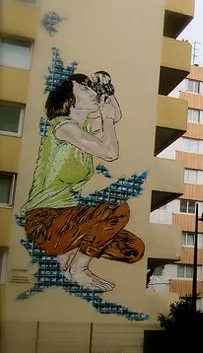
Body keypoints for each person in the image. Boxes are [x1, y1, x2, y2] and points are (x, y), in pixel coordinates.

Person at [21, 73, 144, 292]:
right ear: (70, 99)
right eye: (85, 89)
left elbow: (114, 119)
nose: (92, 92)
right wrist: (106, 118)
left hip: (69, 219)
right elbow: (109, 152)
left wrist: (107, 90)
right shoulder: (62, 127)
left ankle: (68, 254)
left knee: (134, 248)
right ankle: (78, 268)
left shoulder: (84, 131)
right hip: (44, 220)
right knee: (118, 208)